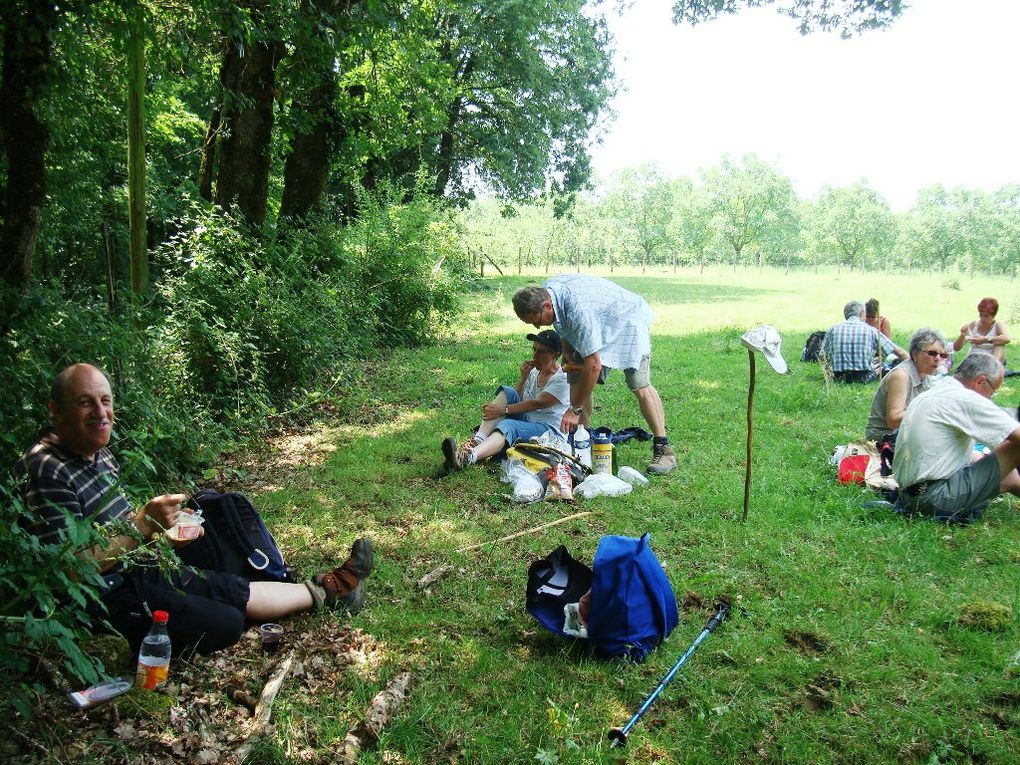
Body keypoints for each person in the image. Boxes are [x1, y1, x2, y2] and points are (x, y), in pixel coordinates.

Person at [14, 363, 374, 656]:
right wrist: (143, 526)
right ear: (56, 411)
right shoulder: (47, 467)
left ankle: (333, 588)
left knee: (227, 581)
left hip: (136, 569)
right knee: (227, 622)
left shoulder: (98, 454)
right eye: (84, 402)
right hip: (103, 597)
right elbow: (68, 573)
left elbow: (117, 527)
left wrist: (161, 532)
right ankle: (323, 592)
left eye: (105, 401)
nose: (100, 412)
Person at [512, 275, 676, 474]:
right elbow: (562, 325)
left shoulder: (579, 312)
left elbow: (594, 366)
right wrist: (568, 350)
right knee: (575, 375)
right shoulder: (546, 292)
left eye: (538, 321)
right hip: (599, 319)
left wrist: (575, 410)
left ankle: (664, 449)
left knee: (638, 383)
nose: (538, 327)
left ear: (547, 306)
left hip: (628, 320)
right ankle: (583, 439)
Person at [893, 353, 1020, 524]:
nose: (990, 398)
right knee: (1014, 446)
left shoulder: (936, 390)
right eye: (993, 392)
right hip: (935, 498)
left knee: (1007, 476)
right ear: (981, 381)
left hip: (910, 495)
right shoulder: (966, 398)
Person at [441, 329, 569, 470]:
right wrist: (523, 378)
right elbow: (520, 400)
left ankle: (467, 458)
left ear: (555, 355)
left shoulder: (562, 379)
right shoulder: (534, 372)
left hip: (548, 430)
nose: (534, 355)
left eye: (541, 352)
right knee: (507, 391)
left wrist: (502, 410)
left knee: (508, 426)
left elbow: (536, 403)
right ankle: (477, 441)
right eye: (534, 349)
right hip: (528, 421)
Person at [864, 327, 947, 442]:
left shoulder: (927, 377)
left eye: (942, 355)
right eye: (932, 353)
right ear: (915, 354)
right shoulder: (901, 376)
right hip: (884, 439)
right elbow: (893, 420)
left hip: (906, 434)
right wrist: (930, 409)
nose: (937, 359)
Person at [822, 300, 907, 383]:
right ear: (862, 313)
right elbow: (899, 352)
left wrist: (829, 373)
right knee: (889, 364)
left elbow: (822, 355)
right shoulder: (871, 330)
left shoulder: (833, 328)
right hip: (863, 377)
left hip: (837, 377)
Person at [953, 296, 1011, 365]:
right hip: (973, 359)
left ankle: (992, 370)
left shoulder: (998, 324)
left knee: (1000, 345)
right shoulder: (974, 324)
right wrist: (962, 336)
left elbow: (1007, 338)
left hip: (991, 360)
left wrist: (986, 340)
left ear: (993, 315)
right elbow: (956, 348)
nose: (982, 319)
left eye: (986, 316)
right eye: (981, 315)